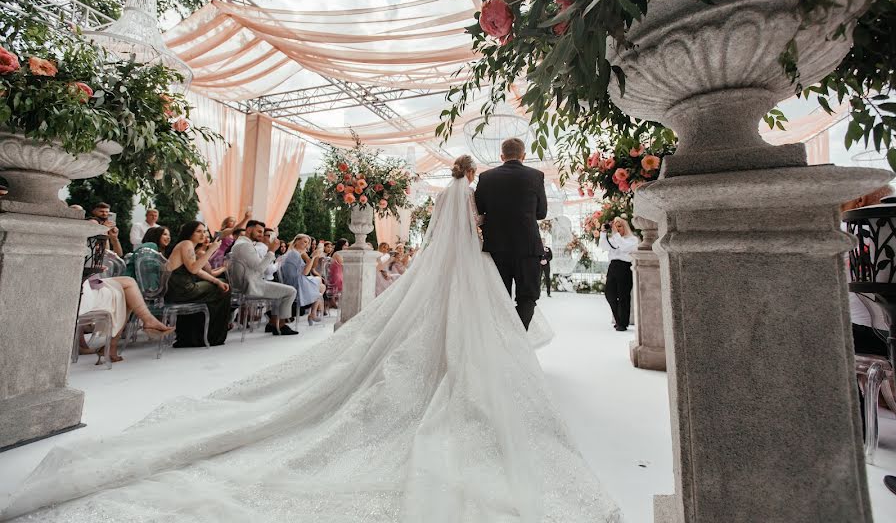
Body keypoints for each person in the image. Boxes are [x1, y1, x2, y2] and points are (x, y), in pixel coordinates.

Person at [3, 152, 619, 522]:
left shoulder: (461, 192)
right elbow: (484, 229)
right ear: (473, 177)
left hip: (458, 264)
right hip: (479, 265)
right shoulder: (481, 192)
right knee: (485, 315)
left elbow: (461, 230)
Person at [474, 139, 548, 329]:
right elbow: (541, 213)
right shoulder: (536, 176)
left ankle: (503, 337)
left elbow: (479, 209)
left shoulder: (486, 177)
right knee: (528, 297)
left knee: (499, 296)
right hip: (528, 248)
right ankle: (519, 335)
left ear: (502, 156)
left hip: (497, 247)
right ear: (524, 156)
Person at [77, 276, 173, 364]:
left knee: (128, 285)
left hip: (83, 284)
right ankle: (148, 321)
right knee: (126, 289)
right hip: (81, 290)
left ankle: (148, 320)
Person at [164, 221, 232, 347]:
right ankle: (210, 337)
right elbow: (194, 269)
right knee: (223, 289)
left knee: (220, 284)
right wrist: (211, 250)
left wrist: (215, 281)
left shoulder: (188, 245)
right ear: (189, 233)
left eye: (204, 231)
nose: (203, 234)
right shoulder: (186, 244)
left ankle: (194, 336)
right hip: (182, 289)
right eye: (198, 231)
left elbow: (198, 271)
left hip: (181, 288)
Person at [229, 220, 298, 335]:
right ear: (249, 230)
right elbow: (260, 269)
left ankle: (272, 323)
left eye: (262, 232)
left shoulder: (241, 243)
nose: (261, 234)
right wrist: (271, 251)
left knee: (281, 291)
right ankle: (280, 325)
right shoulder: (244, 245)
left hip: (247, 282)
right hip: (250, 285)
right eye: (259, 231)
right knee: (291, 291)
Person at [598, 217, 639, 331]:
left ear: (625, 226)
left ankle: (622, 323)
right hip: (613, 267)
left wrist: (616, 234)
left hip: (625, 268)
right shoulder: (614, 239)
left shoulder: (632, 239)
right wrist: (603, 233)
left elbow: (625, 247)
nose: (617, 228)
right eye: (615, 226)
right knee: (609, 294)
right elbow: (604, 246)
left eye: (620, 225)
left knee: (623, 297)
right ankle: (618, 319)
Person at [280, 234, 327, 323]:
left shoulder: (294, 252)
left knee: (321, 285)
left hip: (294, 281)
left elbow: (307, 269)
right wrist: (313, 257)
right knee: (321, 285)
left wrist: (313, 257)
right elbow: (305, 272)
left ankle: (313, 313)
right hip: (296, 284)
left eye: (308, 243)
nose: (306, 245)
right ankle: (313, 313)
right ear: (297, 241)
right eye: (305, 242)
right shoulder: (294, 254)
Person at [325, 238, 347, 310]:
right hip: (335, 274)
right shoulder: (337, 253)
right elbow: (343, 264)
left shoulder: (342, 253)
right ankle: (335, 301)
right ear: (341, 245)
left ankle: (335, 301)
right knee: (346, 281)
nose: (347, 247)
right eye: (345, 245)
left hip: (339, 273)